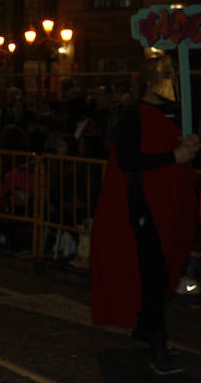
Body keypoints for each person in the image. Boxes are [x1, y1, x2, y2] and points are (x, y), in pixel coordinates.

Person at [90, 52, 199, 376]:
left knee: (161, 271)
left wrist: (188, 148)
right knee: (153, 274)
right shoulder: (133, 118)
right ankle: (156, 343)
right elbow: (129, 161)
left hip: (165, 204)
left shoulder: (173, 115)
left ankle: (146, 331)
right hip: (142, 207)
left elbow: (175, 156)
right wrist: (173, 155)